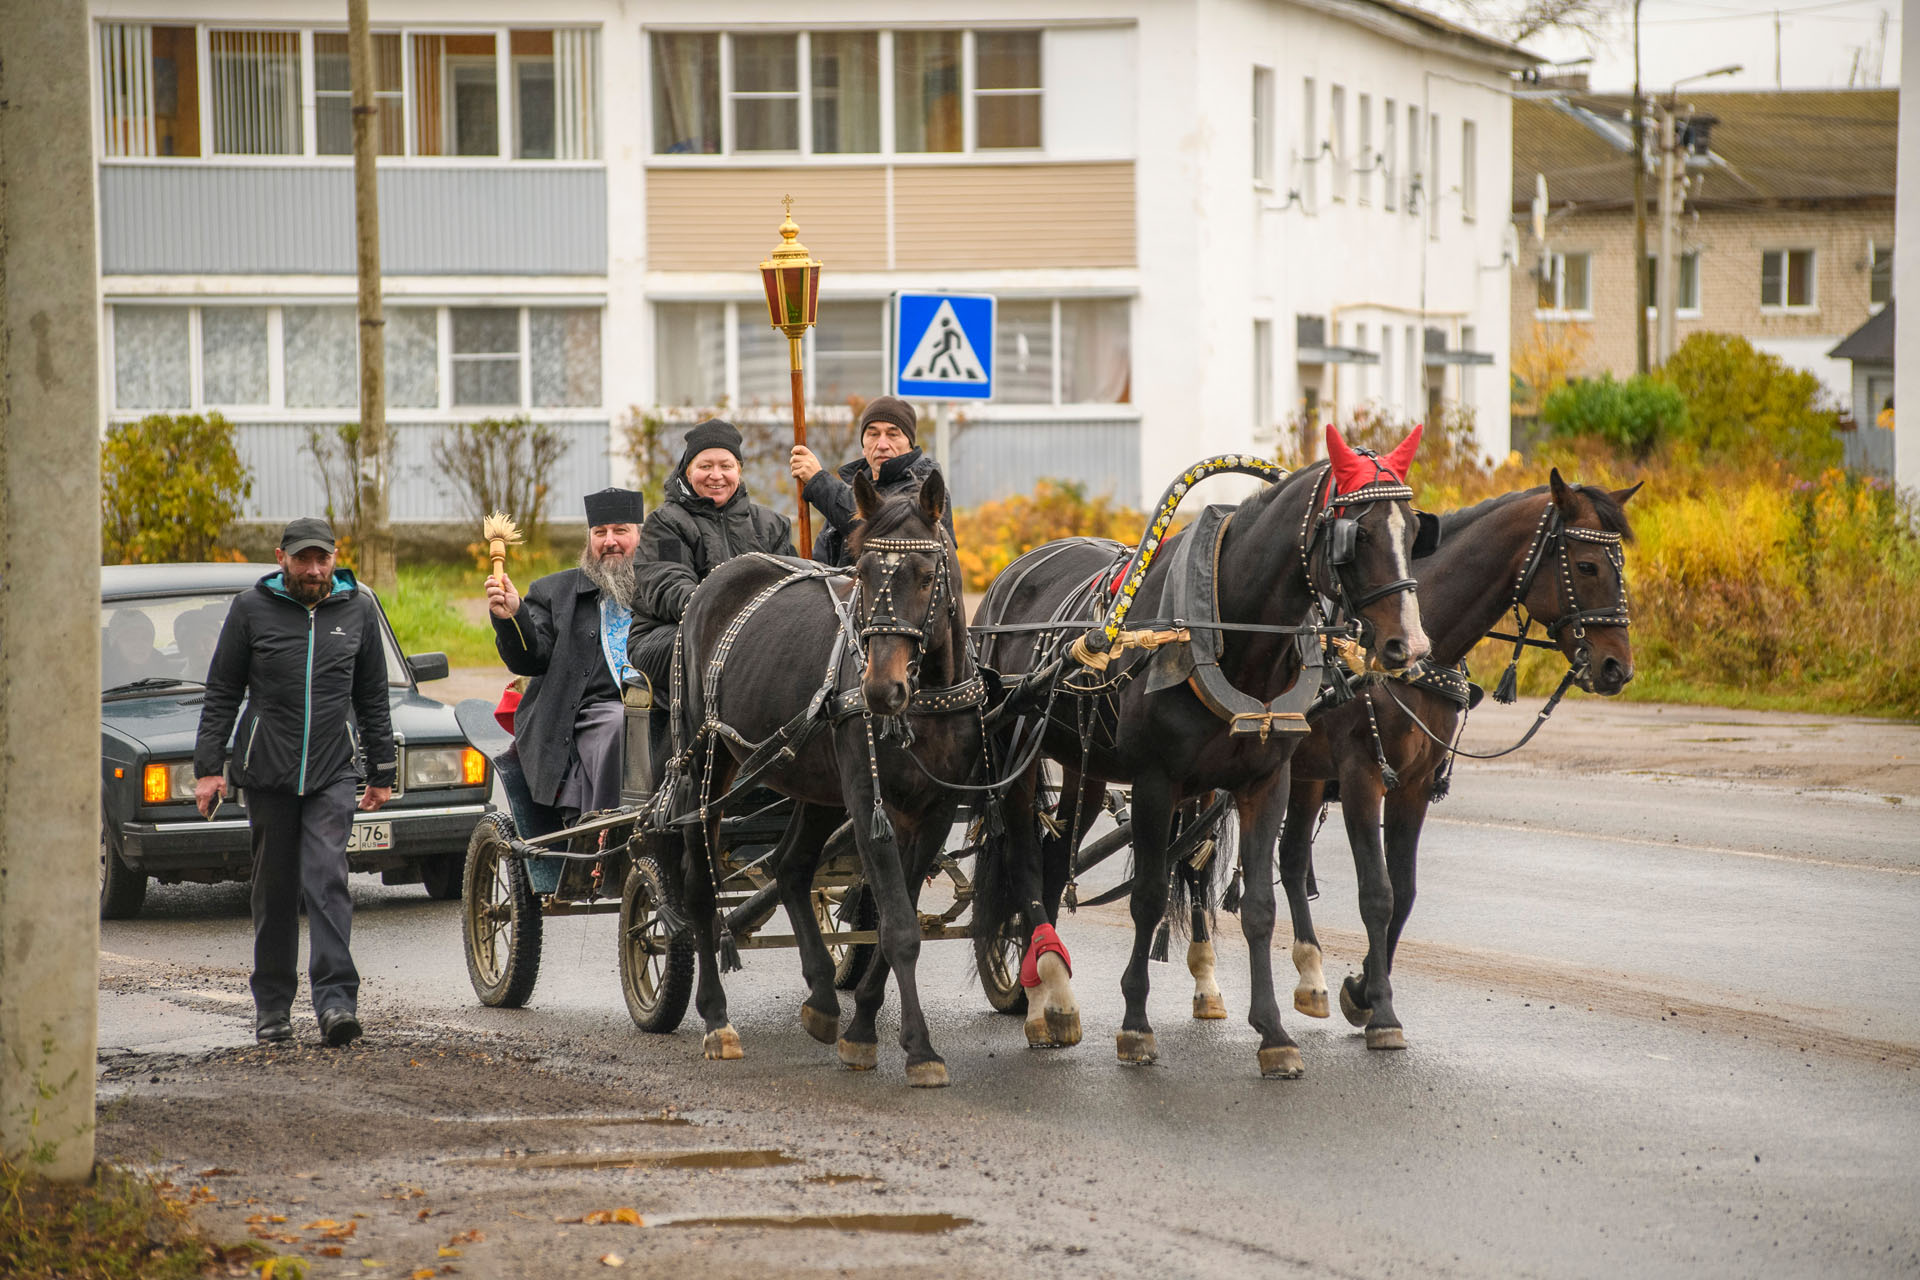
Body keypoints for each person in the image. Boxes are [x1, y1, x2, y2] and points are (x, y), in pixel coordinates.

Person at [193, 517, 394, 1048]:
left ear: (334, 558)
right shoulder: (250, 609)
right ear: (281, 557)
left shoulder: (358, 609)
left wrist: (382, 772)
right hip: (268, 770)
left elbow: (373, 696)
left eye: (322, 559)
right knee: (275, 887)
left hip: (333, 768)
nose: (313, 569)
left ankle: (336, 1003)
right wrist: (209, 769)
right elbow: (222, 690)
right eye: (303, 559)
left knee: (327, 877)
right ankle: (273, 1008)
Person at [485, 488, 647, 823]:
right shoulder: (552, 592)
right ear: (589, 540)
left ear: (640, 537)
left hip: (658, 705)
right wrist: (513, 617)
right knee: (621, 723)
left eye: (620, 531)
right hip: (585, 715)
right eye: (599, 532)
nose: (610, 541)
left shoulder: (661, 589)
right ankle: (605, 833)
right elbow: (530, 659)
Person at [628, 419, 795, 700]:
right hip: (667, 635)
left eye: (725, 466)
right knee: (730, 644)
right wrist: (734, 617)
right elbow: (669, 587)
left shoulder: (772, 526)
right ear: (688, 470)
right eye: (705, 466)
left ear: (738, 471)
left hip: (756, 633)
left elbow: (790, 589)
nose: (716, 475)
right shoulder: (665, 523)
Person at [788, 395, 955, 567]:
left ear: (910, 445)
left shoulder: (925, 491)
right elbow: (822, 562)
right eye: (873, 434)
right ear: (863, 446)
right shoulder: (853, 490)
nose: (882, 444)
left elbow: (881, 529)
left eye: (892, 434)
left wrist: (819, 481)